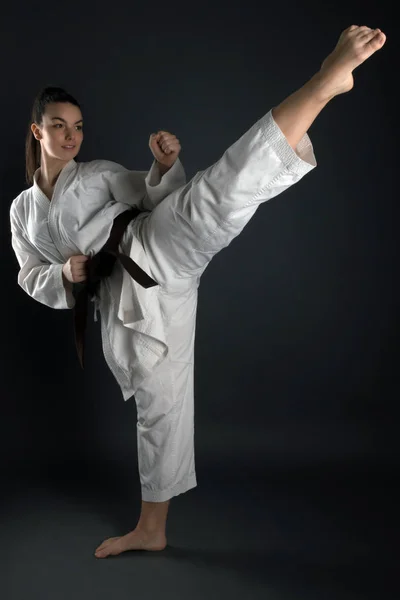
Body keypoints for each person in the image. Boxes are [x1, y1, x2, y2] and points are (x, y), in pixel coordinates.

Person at [9, 25, 386, 558]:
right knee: (158, 407)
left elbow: (155, 194)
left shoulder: (97, 175)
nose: (71, 136)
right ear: (36, 130)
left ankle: (324, 83)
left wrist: (163, 166)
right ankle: (151, 529)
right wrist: (62, 276)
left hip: (153, 247)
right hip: (128, 303)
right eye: (58, 126)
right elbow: (29, 274)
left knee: (219, 193)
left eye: (77, 126)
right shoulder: (22, 211)